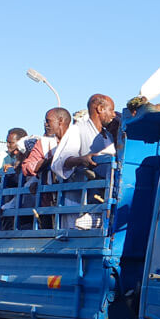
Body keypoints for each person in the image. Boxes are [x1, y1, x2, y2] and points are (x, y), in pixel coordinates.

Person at [52, 94, 119, 230]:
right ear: (100, 108)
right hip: (78, 204)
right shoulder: (78, 130)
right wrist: (81, 159)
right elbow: (59, 162)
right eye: (111, 110)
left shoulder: (108, 136)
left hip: (99, 202)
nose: (113, 114)